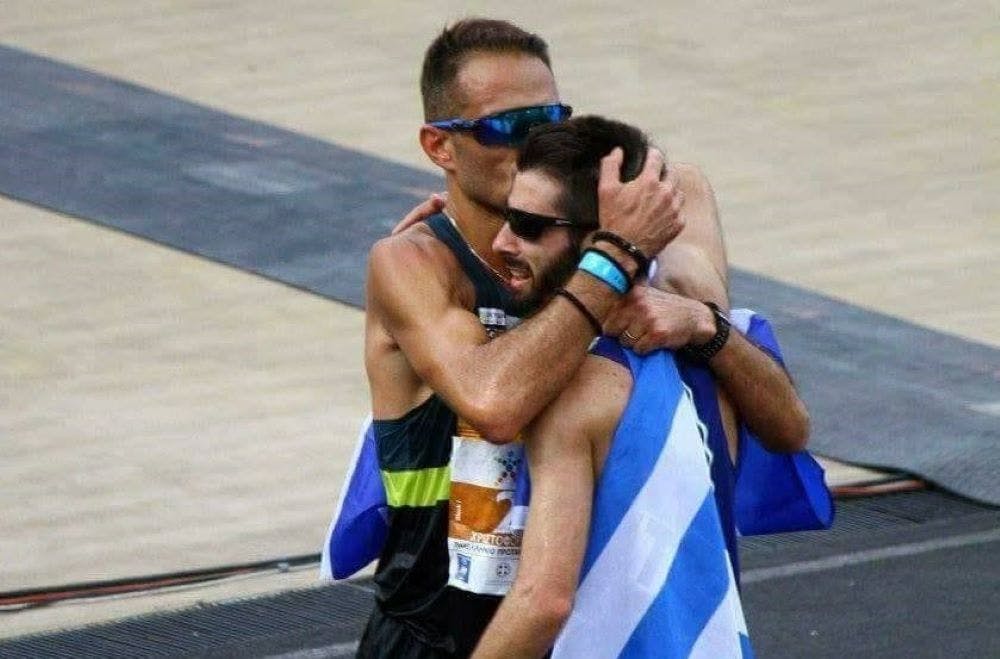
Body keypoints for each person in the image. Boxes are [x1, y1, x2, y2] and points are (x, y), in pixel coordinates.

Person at [354, 18, 809, 658]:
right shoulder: (417, 264)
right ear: (441, 147)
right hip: (439, 635)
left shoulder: (621, 242)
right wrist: (613, 259)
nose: (533, 143)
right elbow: (495, 404)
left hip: (580, 633)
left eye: (547, 119)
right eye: (505, 127)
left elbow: (788, 428)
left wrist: (703, 322)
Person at [473, 114, 752, 659]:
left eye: (527, 225)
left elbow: (544, 601)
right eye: (505, 216)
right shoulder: (704, 327)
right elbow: (793, 430)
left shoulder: (574, 396)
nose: (502, 240)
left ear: (595, 240)